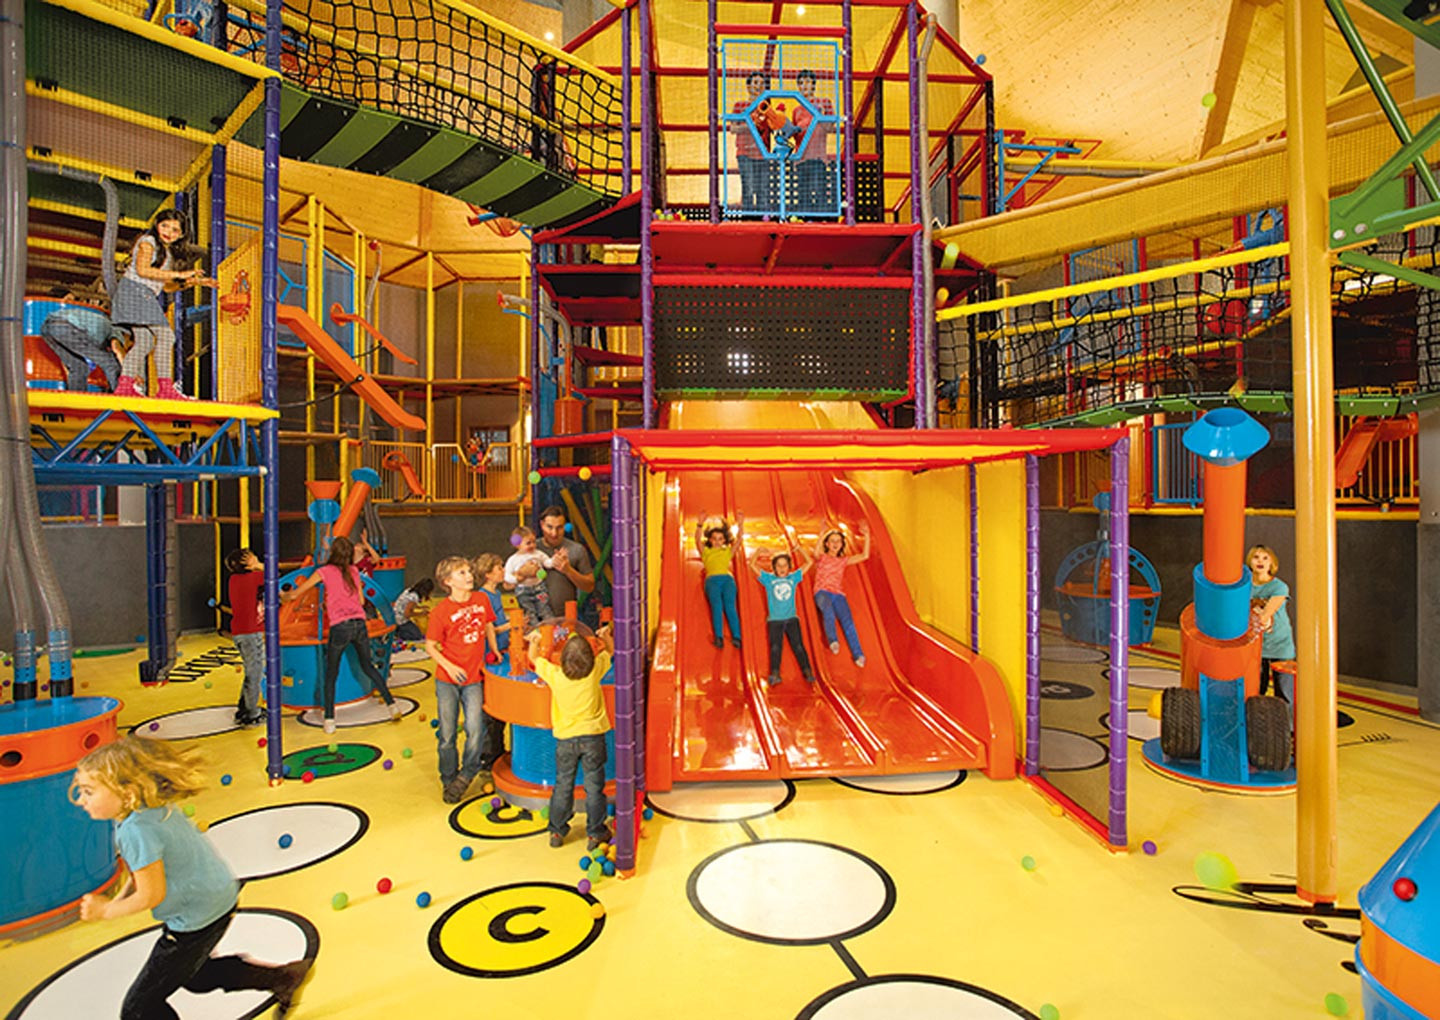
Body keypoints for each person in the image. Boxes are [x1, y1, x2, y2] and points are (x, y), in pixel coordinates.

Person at [72, 736, 312, 1020]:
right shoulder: (147, 808)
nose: (81, 800)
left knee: (139, 1009)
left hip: (196, 918)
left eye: (89, 792)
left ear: (127, 792)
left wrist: (106, 910)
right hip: (217, 897)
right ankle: (284, 978)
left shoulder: (136, 831)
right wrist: (120, 896)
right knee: (196, 976)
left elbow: (151, 895)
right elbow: (144, 869)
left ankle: (284, 978)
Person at [281, 536, 399, 733]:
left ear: (332, 553)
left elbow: (294, 594)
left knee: (331, 673)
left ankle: (329, 720)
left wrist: (282, 596)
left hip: (340, 627)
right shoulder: (353, 571)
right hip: (359, 625)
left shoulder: (324, 571)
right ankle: (392, 705)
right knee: (368, 667)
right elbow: (361, 601)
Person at [111, 209, 217, 400]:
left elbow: (167, 287)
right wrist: (180, 274)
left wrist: (194, 282)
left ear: (182, 234)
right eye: (165, 226)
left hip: (139, 294)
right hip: (136, 291)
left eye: (175, 230)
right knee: (167, 336)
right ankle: (165, 388)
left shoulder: (166, 253)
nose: (169, 232)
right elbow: (143, 271)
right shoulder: (147, 242)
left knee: (145, 342)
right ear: (157, 225)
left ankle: (124, 386)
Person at [528, 624, 614, 850]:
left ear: (563, 660)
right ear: (590, 659)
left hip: (566, 740)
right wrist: (605, 636)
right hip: (593, 738)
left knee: (563, 785)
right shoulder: (595, 671)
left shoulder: (556, 675)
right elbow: (610, 651)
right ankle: (595, 833)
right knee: (594, 787)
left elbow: (533, 659)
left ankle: (557, 831)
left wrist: (535, 641)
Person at [425, 557, 498, 803]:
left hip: (473, 679)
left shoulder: (481, 600)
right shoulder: (440, 612)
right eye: (461, 573)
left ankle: (467, 773)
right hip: (447, 680)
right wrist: (449, 666)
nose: (469, 576)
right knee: (447, 734)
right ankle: (449, 779)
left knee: (475, 729)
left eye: (468, 571)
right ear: (448, 581)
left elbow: (488, 625)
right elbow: (430, 646)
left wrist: (494, 649)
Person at [748, 527, 815, 687]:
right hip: (775, 621)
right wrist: (758, 552)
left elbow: (810, 563)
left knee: (798, 646)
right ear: (774, 568)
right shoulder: (769, 579)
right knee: (775, 647)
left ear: (789, 567)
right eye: (778, 566)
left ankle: (807, 671)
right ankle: (775, 673)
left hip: (792, 619)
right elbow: (752, 565)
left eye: (785, 565)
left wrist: (799, 548)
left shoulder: (793, 578)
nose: (782, 568)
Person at [39, 298, 131, 392]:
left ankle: (76, 398)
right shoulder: (116, 330)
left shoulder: (101, 326)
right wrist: (127, 371)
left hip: (47, 329)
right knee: (110, 363)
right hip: (65, 326)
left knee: (78, 367)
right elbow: (117, 349)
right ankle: (121, 395)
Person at [812, 527, 871, 667]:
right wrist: (821, 534)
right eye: (832, 541)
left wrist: (867, 536)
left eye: (838, 541)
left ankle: (858, 654)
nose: (835, 544)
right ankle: (833, 640)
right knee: (828, 611)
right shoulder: (823, 557)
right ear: (827, 544)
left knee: (848, 621)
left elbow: (864, 556)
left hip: (838, 594)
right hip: (822, 592)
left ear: (842, 544)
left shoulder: (843, 561)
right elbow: (815, 552)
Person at [223, 548, 265, 726]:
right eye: (253, 556)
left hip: (241, 632)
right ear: (247, 563)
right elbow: (273, 575)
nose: (256, 557)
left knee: (251, 671)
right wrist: (259, 566)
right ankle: (252, 714)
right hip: (250, 634)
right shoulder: (253, 578)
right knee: (255, 673)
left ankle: (244, 708)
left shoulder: (234, 579)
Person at [1248, 544, 1296, 701]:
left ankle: (1286, 718)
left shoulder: (1279, 587)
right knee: (1255, 692)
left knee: (1284, 693)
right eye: (1256, 557)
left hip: (1280, 644)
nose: (1260, 561)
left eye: (1265, 558)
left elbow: (1266, 615)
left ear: (1271, 563)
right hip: (1255, 646)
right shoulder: (1245, 586)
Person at [537, 505, 598, 627]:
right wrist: (524, 572)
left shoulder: (577, 550)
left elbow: (589, 586)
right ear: (542, 525)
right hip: (536, 618)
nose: (554, 533)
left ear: (565, 527)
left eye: (559, 528)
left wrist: (568, 570)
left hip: (566, 619)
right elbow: (508, 584)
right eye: (550, 527)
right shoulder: (531, 549)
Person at [730, 71, 779, 213]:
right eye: (756, 83)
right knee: (749, 188)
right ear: (748, 86)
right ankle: (748, 219)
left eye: (762, 84)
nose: (759, 86)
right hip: (745, 153)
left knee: (763, 189)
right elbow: (733, 128)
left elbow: (776, 127)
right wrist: (750, 126)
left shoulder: (766, 108)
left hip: (763, 154)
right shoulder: (740, 106)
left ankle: (764, 219)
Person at [791, 69, 836, 215]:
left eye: (807, 82)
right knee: (803, 194)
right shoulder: (796, 110)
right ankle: (804, 221)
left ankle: (820, 221)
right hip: (801, 158)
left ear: (813, 85)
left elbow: (829, 128)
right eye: (801, 83)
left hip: (818, 157)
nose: (804, 86)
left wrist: (820, 116)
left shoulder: (824, 103)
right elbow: (794, 135)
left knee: (819, 190)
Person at [696, 511, 743, 649]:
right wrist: (700, 524)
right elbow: (697, 540)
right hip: (712, 581)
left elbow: (739, 541)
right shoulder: (706, 552)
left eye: (720, 539)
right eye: (714, 539)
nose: (717, 541)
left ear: (724, 540)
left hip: (728, 580)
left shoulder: (727, 551)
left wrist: (740, 524)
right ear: (710, 540)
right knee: (717, 606)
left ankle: (737, 636)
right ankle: (719, 637)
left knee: (730, 606)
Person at [504, 525, 553, 626]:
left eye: (534, 542)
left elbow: (547, 562)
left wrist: (555, 560)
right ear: (517, 544)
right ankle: (535, 631)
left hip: (539, 588)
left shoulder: (537, 554)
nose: (532, 545)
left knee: (545, 610)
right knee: (529, 614)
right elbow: (506, 575)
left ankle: (551, 629)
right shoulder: (513, 559)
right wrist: (516, 579)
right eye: (528, 543)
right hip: (523, 590)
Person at [391, 577, 435, 642]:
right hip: (400, 620)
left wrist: (420, 607)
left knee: (415, 631)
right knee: (417, 636)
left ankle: (398, 630)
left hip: (395, 615)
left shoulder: (409, 590)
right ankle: (397, 633)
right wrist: (420, 613)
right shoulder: (414, 597)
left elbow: (407, 604)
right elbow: (407, 614)